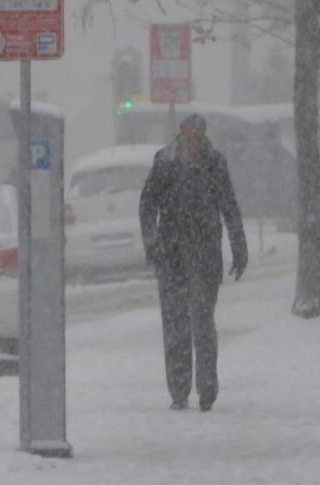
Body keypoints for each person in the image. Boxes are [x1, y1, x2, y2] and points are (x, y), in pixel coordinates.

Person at [139, 114, 248, 412]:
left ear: (204, 137)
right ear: (180, 135)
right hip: (171, 256)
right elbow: (147, 204)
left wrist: (239, 247)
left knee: (202, 322)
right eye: (189, 136)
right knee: (175, 325)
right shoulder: (164, 162)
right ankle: (178, 390)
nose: (193, 142)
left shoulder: (215, 163)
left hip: (205, 256)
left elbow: (229, 205)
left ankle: (207, 388)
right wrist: (152, 242)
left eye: (198, 136)